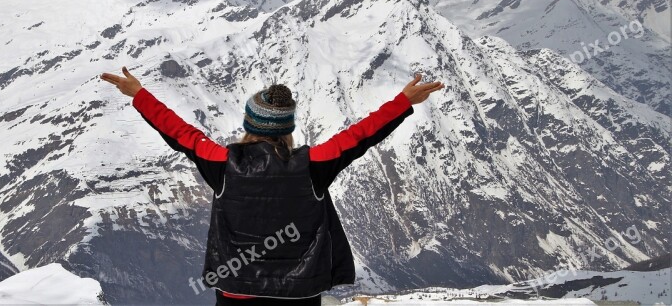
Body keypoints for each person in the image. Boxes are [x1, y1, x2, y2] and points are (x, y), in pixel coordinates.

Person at [101, 67, 444, 305]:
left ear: (249, 123)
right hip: (299, 293)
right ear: (287, 129)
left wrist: (140, 95)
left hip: (236, 288)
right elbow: (360, 135)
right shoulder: (314, 165)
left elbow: (180, 133)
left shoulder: (222, 164)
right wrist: (403, 102)